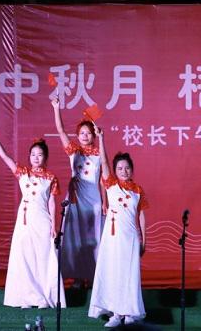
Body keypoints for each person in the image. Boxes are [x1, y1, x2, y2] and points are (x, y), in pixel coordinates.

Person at [0, 126, 65, 308]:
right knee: (24, 256)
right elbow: (5, 157)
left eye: (40, 155)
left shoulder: (51, 178)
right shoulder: (23, 173)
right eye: (33, 154)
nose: (36, 158)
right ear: (29, 157)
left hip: (42, 220)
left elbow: (52, 202)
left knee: (42, 257)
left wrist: (54, 225)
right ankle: (27, 297)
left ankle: (43, 297)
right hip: (25, 220)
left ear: (45, 157)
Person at [88, 132, 148, 327]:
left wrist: (144, 240)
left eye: (127, 167)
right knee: (114, 272)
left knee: (130, 274)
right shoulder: (111, 185)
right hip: (112, 238)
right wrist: (101, 139)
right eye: (120, 168)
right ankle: (115, 314)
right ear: (114, 170)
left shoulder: (138, 190)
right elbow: (104, 162)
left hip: (131, 238)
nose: (124, 171)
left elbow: (141, 216)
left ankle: (130, 313)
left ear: (132, 169)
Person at [51, 97, 104, 286]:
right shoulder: (74, 151)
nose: (85, 136)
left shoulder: (100, 153)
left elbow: (103, 180)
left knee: (93, 236)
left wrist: (105, 202)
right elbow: (60, 130)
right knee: (75, 236)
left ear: (94, 135)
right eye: (81, 133)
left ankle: (94, 275)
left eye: (88, 133)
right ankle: (77, 275)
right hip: (75, 198)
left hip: (94, 199)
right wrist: (56, 108)